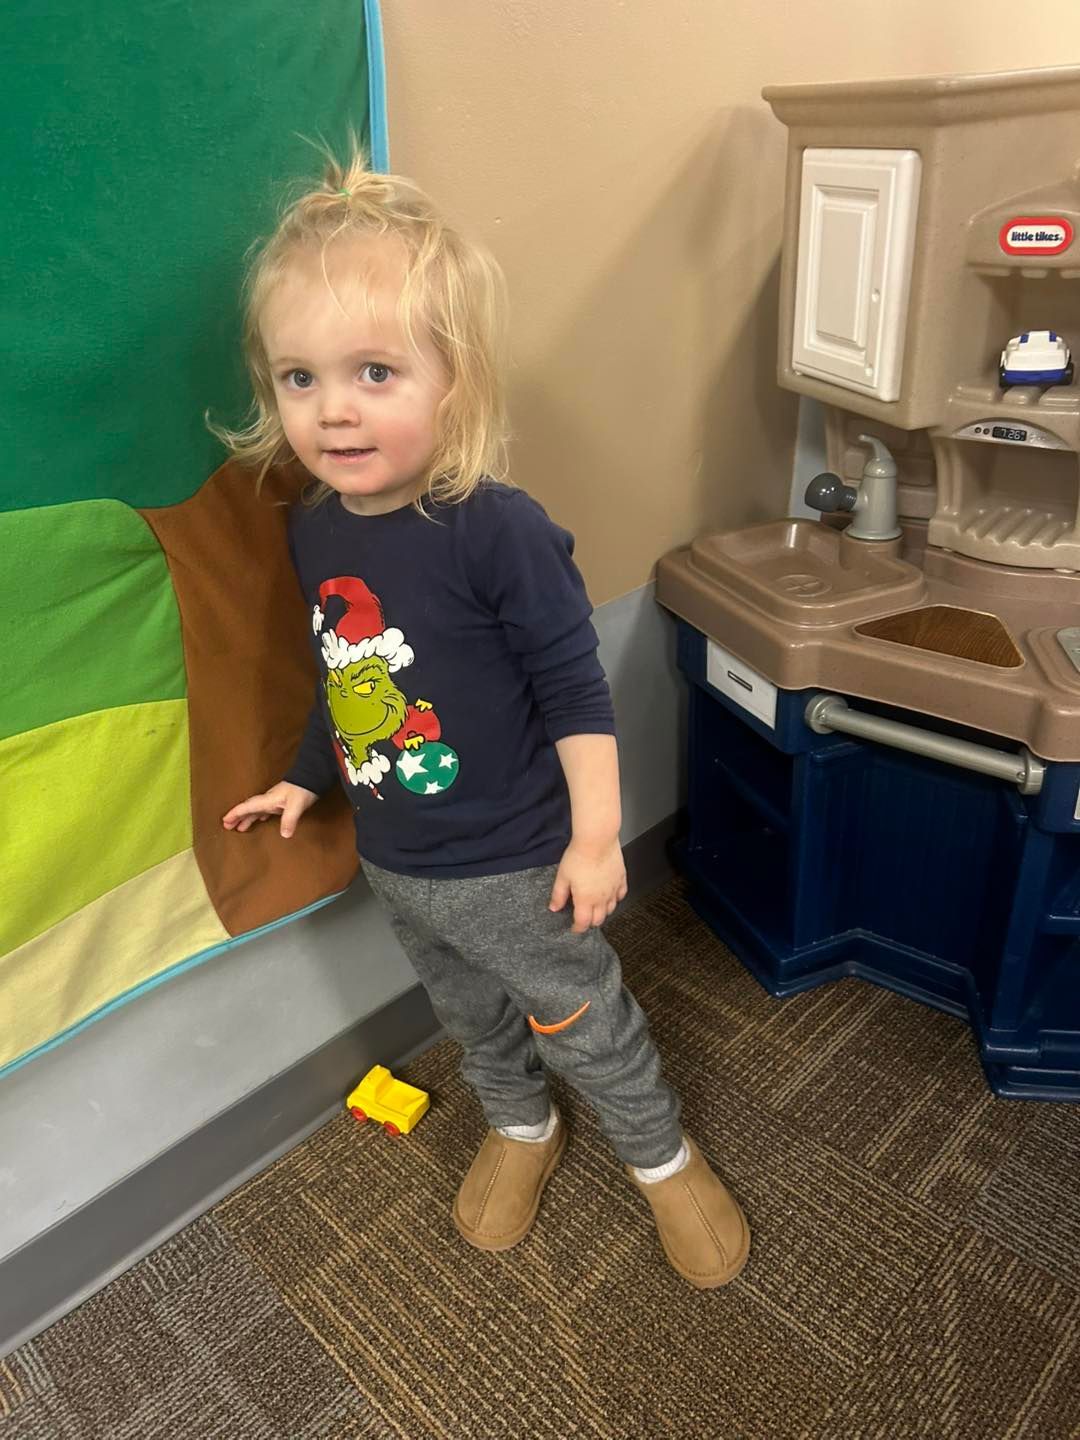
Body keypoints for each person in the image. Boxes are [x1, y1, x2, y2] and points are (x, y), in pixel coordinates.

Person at [218, 151, 749, 1289]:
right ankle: (520, 1124)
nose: (333, 409)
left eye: (374, 371)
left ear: (451, 381)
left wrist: (597, 838)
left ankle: (660, 1157)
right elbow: (345, 676)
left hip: (518, 866)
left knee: (581, 1017)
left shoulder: (495, 529)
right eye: (300, 378)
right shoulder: (315, 529)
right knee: (465, 1011)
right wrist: (307, 775)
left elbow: (575, 691)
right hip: (399, 863)